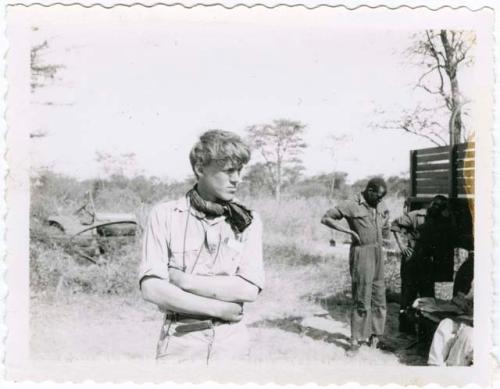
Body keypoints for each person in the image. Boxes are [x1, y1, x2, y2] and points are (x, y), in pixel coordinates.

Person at [139, 130, 265, 363]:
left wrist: (184, 281)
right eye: (229, 171)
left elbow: (248, 289)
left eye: (239, 171)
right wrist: (219, 309)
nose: (237, 179)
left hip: (232, 343)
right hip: (180, 342)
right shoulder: (165, 215)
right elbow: (151, 288)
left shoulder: (248, 220)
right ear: (200, 168)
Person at [321, 178, 390, 356]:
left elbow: (386, 222)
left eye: (383, 198)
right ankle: (355, 340)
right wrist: (349, 232)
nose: (380, 200)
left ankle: (376, 337)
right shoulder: (351, 204)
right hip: (362, 254)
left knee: (379, 296)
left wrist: (385, 239)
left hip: (378, 254)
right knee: (362, 297)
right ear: (370, 191)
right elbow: (326, 218)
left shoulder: (380, 204)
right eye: (378, 197)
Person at [391, 195, 457, 333]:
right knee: (408, 293)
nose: (436, 208)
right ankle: (406, 327)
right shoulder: (417, 215)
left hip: (428, 263)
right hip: (412, 261)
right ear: (431, 203)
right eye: (435, 204)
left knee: (427, 295)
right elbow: (395, 225)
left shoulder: (442, 221)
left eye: (440, 207)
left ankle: (424, 328)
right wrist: (402, 245)